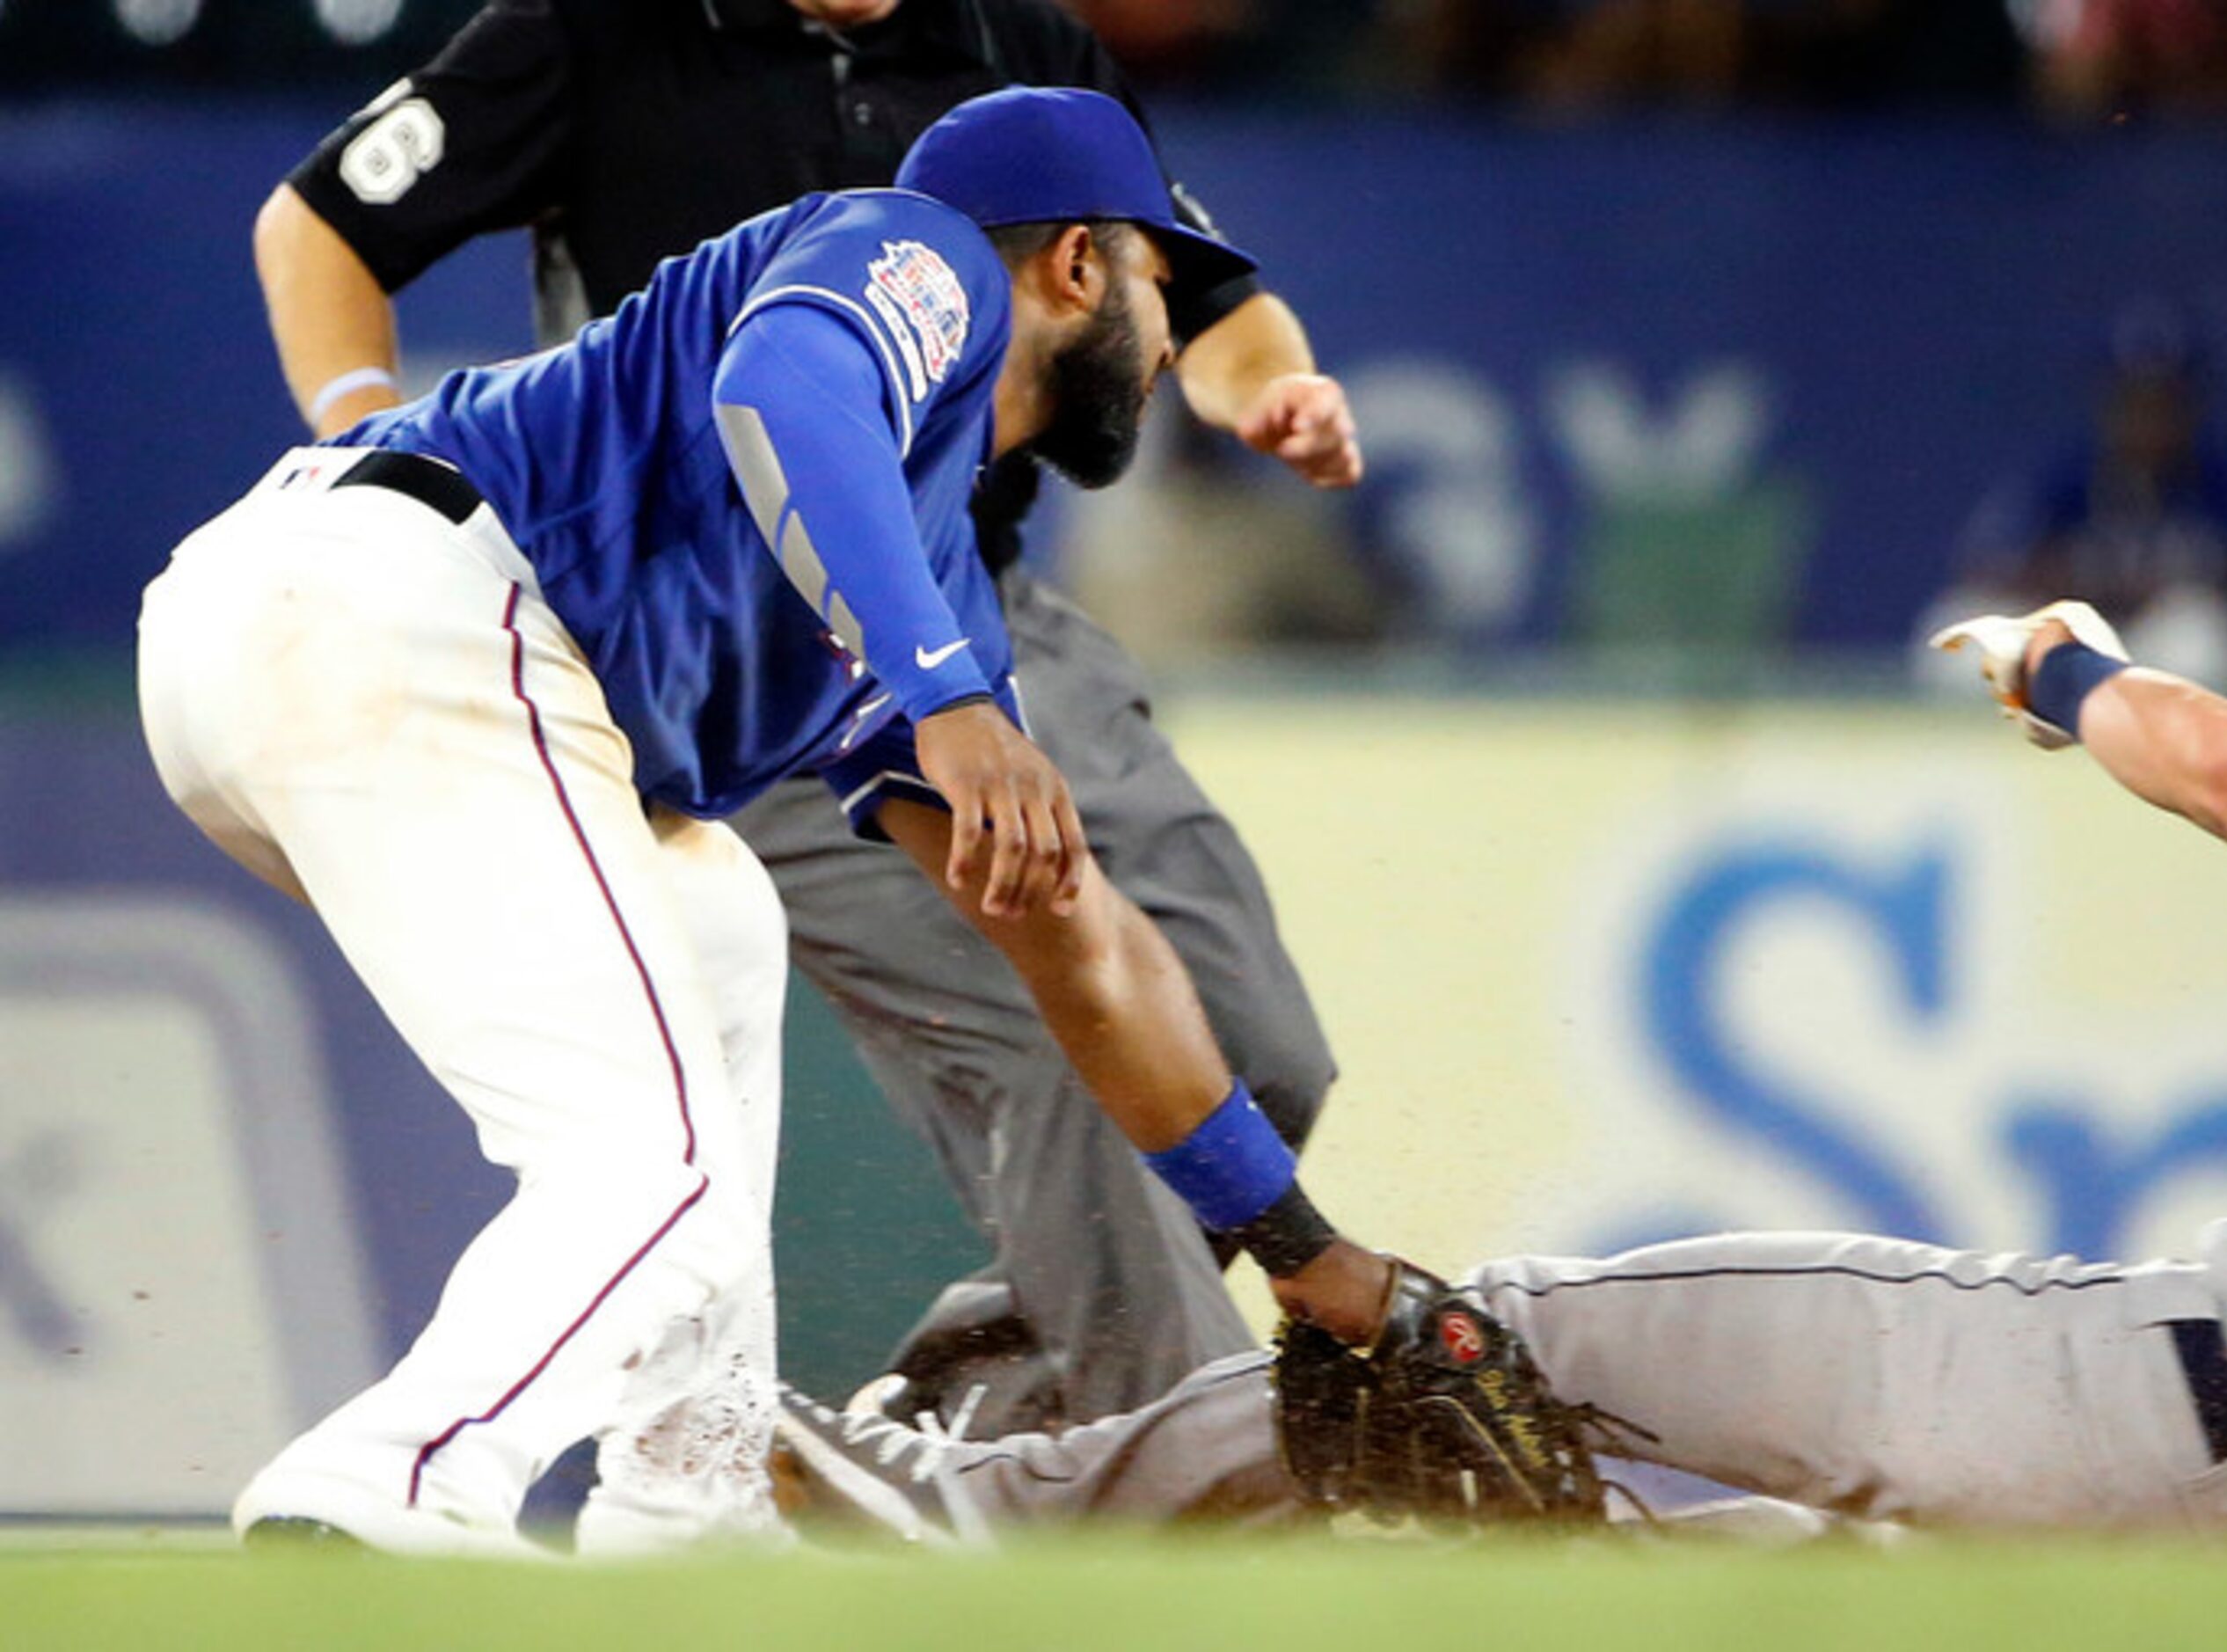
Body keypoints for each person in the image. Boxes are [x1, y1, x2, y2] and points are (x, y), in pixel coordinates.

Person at [770, 598, 2227, 1553]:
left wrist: (2059, 660)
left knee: (1491, 1340)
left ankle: (999, 1507)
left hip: (2126, 1402)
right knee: (1738, 1554)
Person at [143, 88, 1403, 1556]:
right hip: (389, 602)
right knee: (647, 1163)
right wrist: (944, 691)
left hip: (322, 647)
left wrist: (1299, 1246)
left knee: (720, 913)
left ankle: (695, 1494)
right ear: (1073, 265)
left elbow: (1072, 932)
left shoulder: (918, 555)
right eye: (1157, 280)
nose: (1174, 331)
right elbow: (785, 385)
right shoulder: (916, 253)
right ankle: (384, 1488)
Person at [1918, 303, 2227, 696]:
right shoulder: (2063, 479)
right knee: (1962, 638)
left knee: (2198, 639)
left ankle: (2174, 756)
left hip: (2155, 645)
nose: (2148, 419)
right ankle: (1996, 754)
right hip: (2070, 648)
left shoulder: (2225, 482)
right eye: (2134, 401)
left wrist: (2185, 587)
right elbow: (1987, 570)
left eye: (2164, 402)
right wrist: (2085, 585)